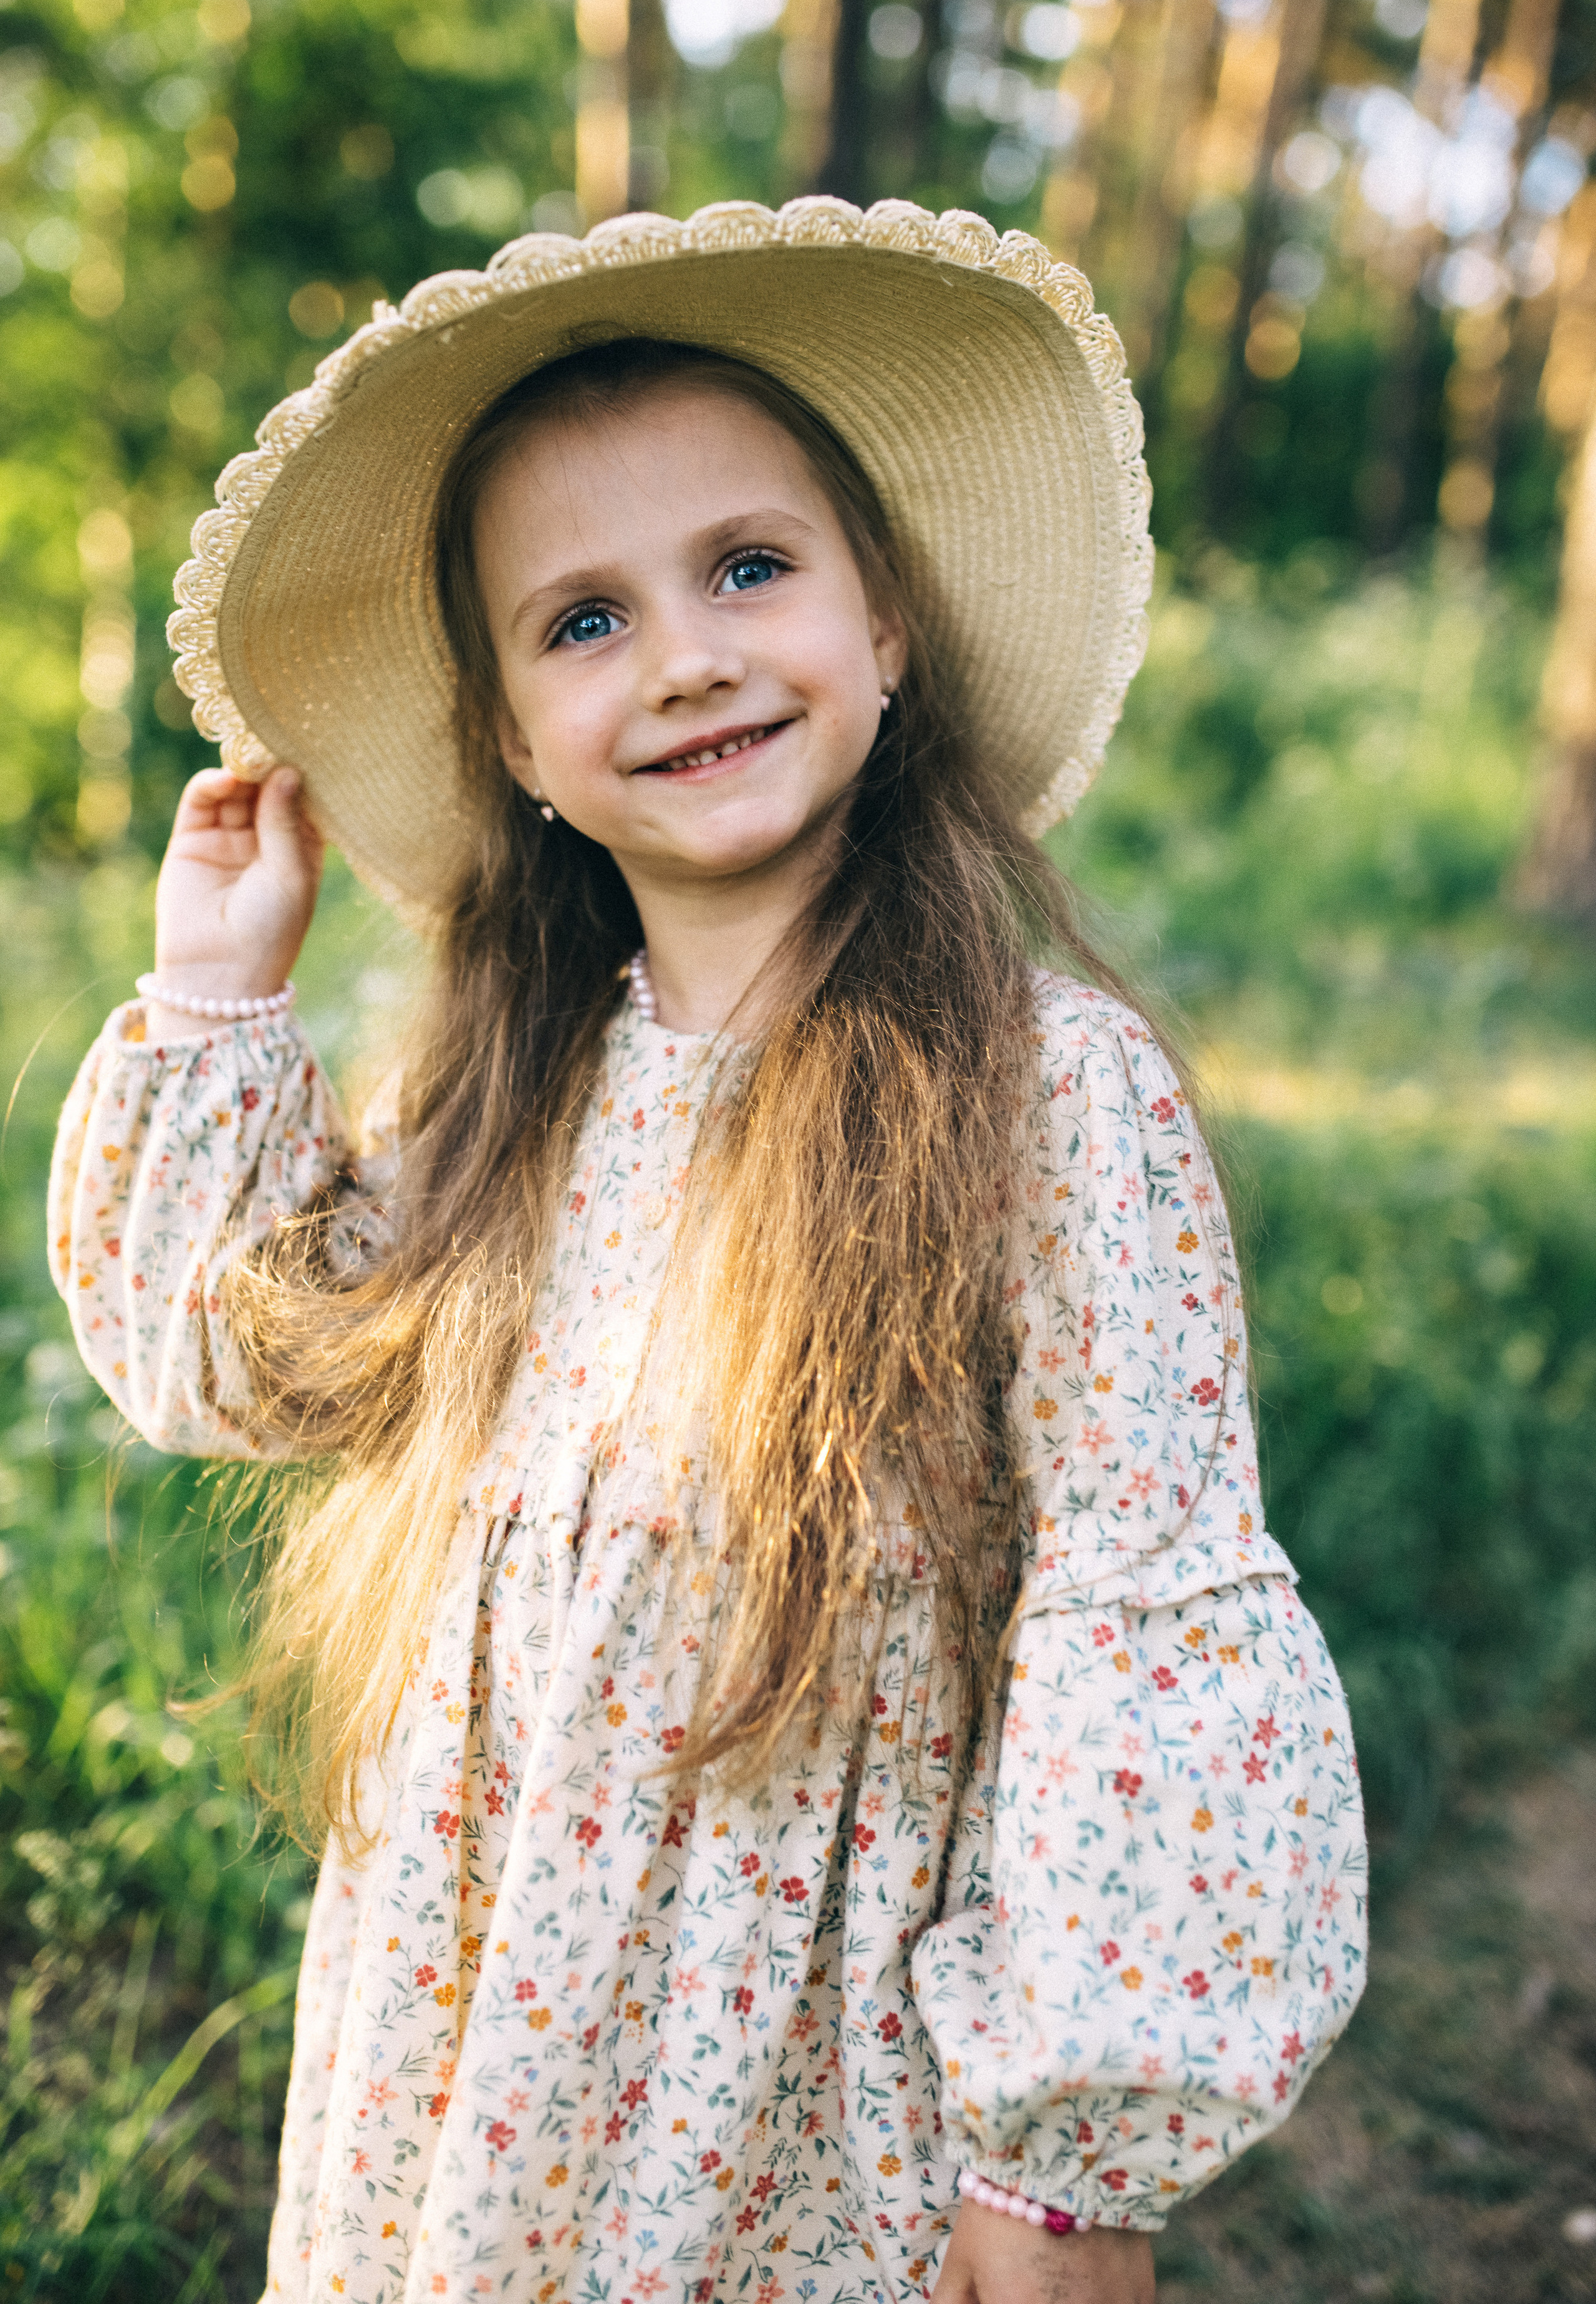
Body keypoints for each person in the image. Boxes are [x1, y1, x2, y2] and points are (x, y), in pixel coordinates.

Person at [50, 198, 1366, 2304]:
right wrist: (218, 993)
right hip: (458, 2060)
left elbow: (1142, 1614)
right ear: (508, 741)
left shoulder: (1045, 1098)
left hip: (790, 2086)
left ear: (890, 627)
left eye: (749, 568)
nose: (682, 657)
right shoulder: (503, 1108)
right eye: (580, 623)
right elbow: (224, 1364)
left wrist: (1057, 2173)